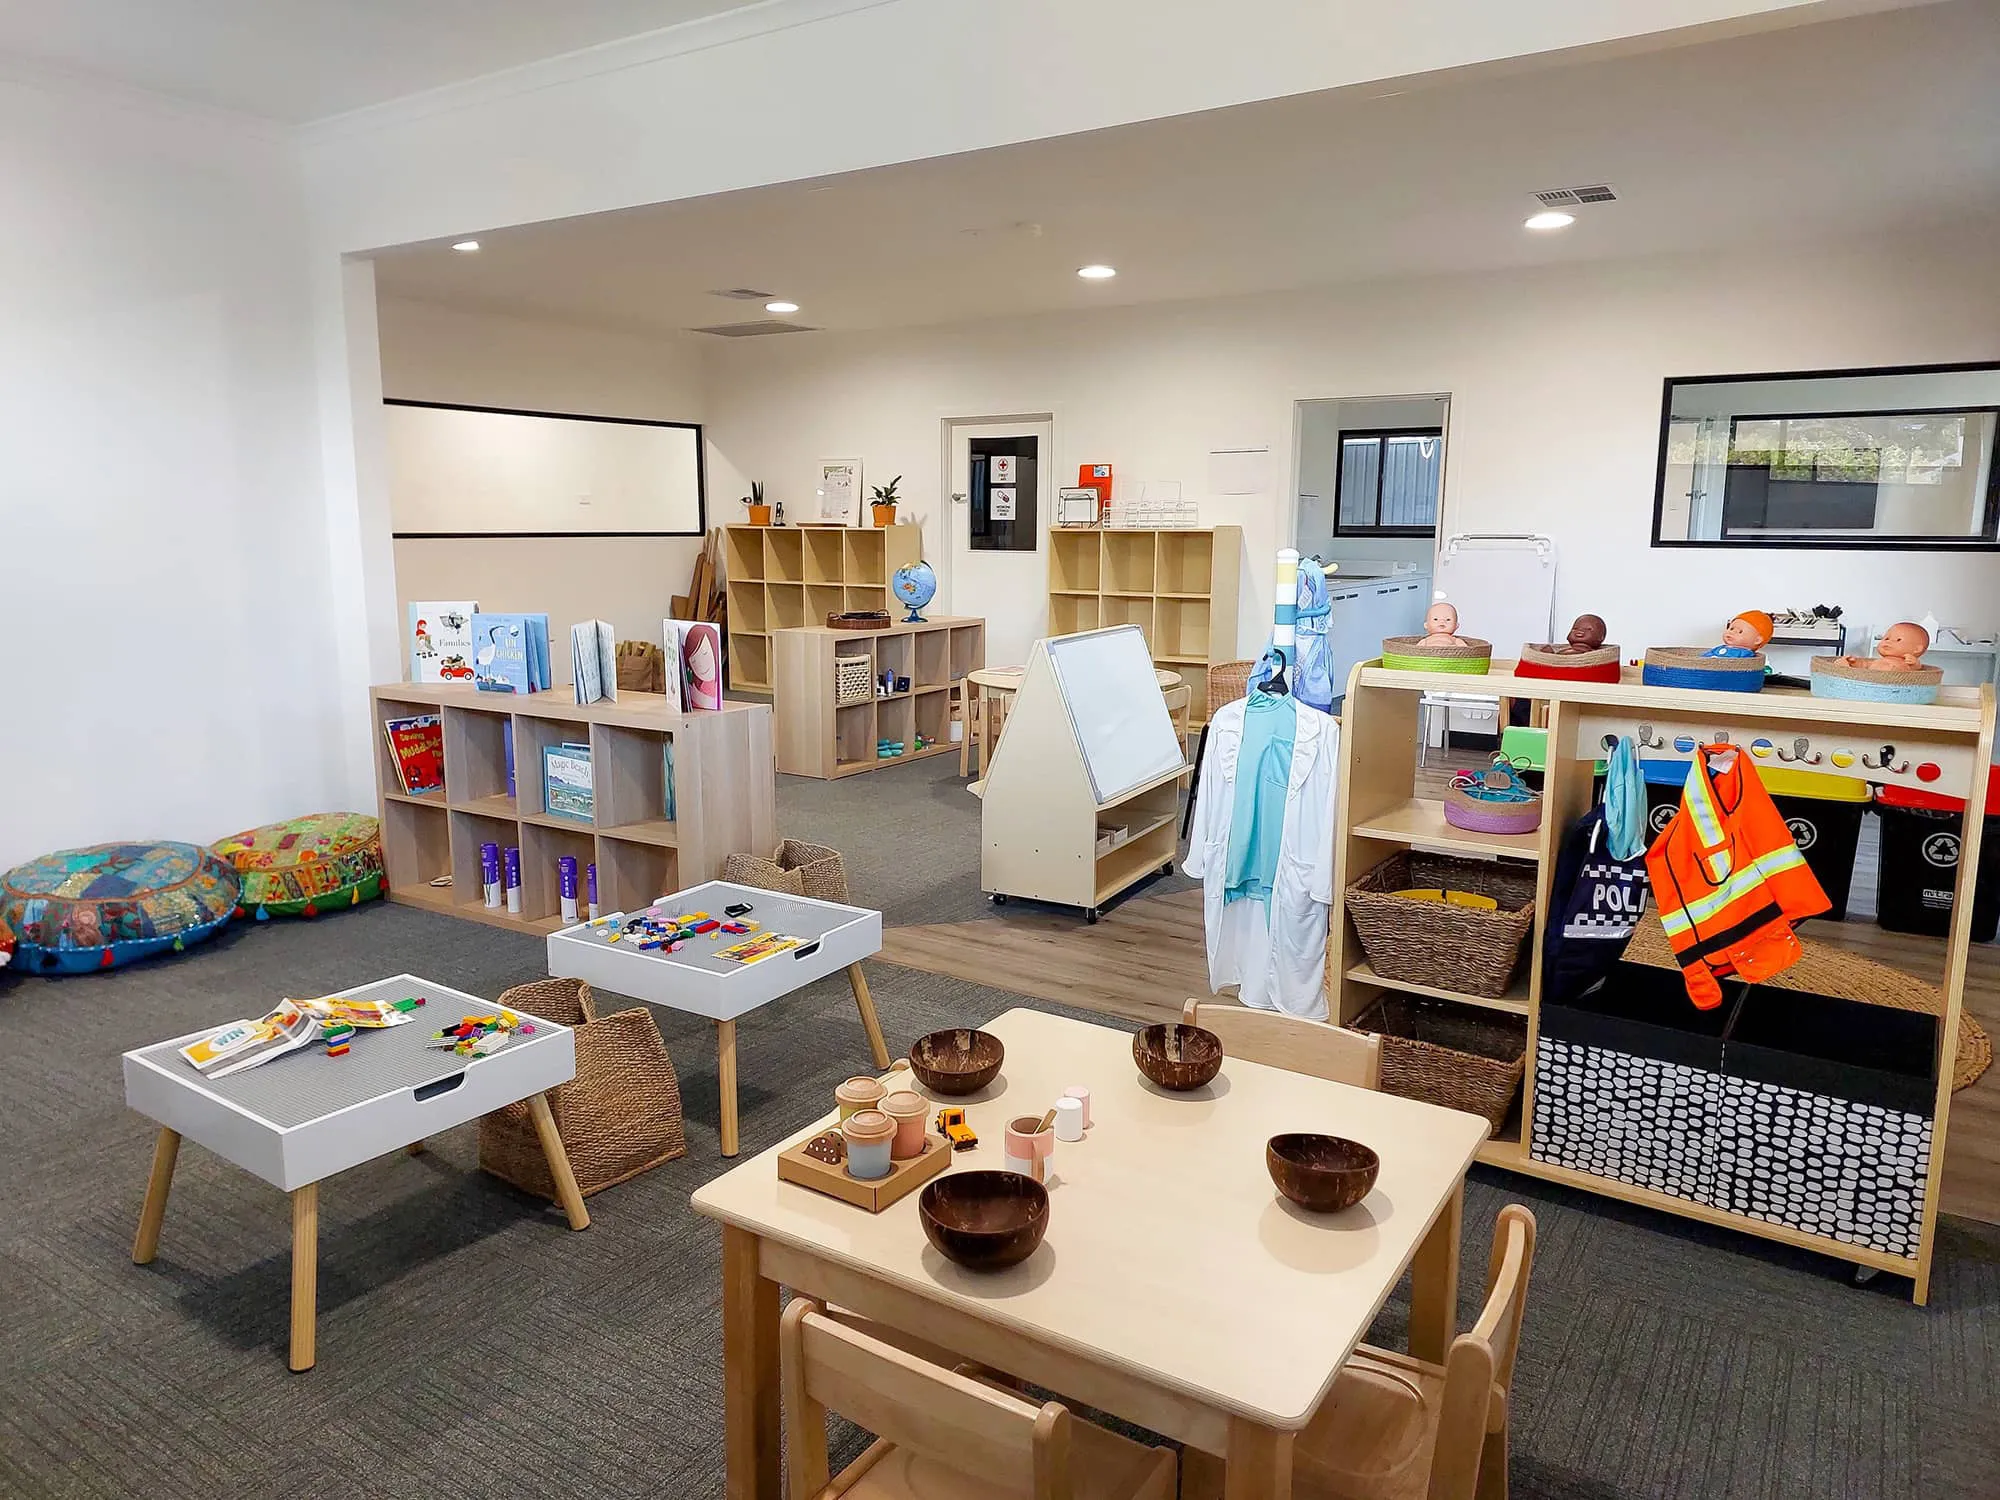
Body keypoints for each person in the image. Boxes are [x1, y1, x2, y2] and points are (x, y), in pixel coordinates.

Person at [1841, 621, 1930, 672]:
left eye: (1898, 640)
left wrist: (1915, 664)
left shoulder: (1907, 663)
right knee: (1866, 665)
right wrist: (1856, 663)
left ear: (1917, 649)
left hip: (1895, 683)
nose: (1888, 642)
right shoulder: (1879, 661)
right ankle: (1847, 665)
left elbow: (1916, 672)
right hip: (1873, 680)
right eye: (1886, 638)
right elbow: (1868, 665)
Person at [1703, 610, 1773, 659]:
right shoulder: (1719, 648)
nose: (1732, 632)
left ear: (1757, 640)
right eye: (1731, 629)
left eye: (1740, 632)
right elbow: (1705, 657)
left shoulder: (1744, 654)